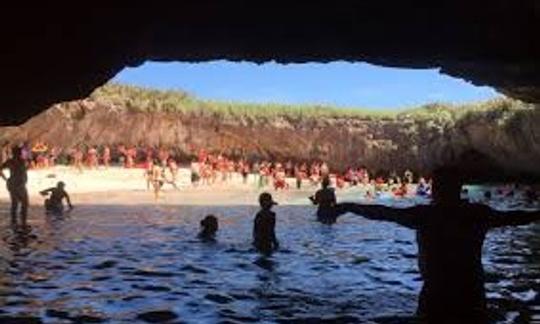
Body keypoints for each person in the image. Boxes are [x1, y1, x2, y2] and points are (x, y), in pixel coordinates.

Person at [337, 167, 540, 323]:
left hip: (436, 293)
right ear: (459, 188)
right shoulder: (477, 214)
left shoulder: (426, 216)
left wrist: (347, 206)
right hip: (471, 293)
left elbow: (383, 213)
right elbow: (516, 217)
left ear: (435, 189)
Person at [0, 146, 29, 227]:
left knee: (15, 203)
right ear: (19, 153)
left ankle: (14, 222)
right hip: (19, 184)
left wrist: (5, 179)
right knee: (24, 203)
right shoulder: (21, 161)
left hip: (12, 184)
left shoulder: (10, 161)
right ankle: (22, 222)